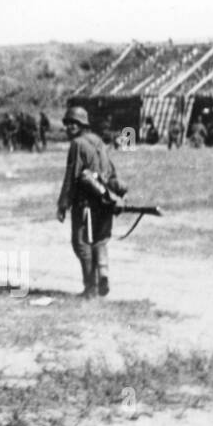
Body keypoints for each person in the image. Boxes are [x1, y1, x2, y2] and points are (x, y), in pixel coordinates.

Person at [56, 105, 122, 298]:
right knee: (99, 241)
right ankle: (102, 274)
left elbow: (72, 175)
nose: (69, 128)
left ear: (81, 125)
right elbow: (111, 169)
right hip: (104, 200)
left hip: (85, 203)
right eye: (67, 124)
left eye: (73, 124)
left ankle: (90, 287)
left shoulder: (77, 144)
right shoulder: (98, 141)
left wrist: (63, 204)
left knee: (81, 243)